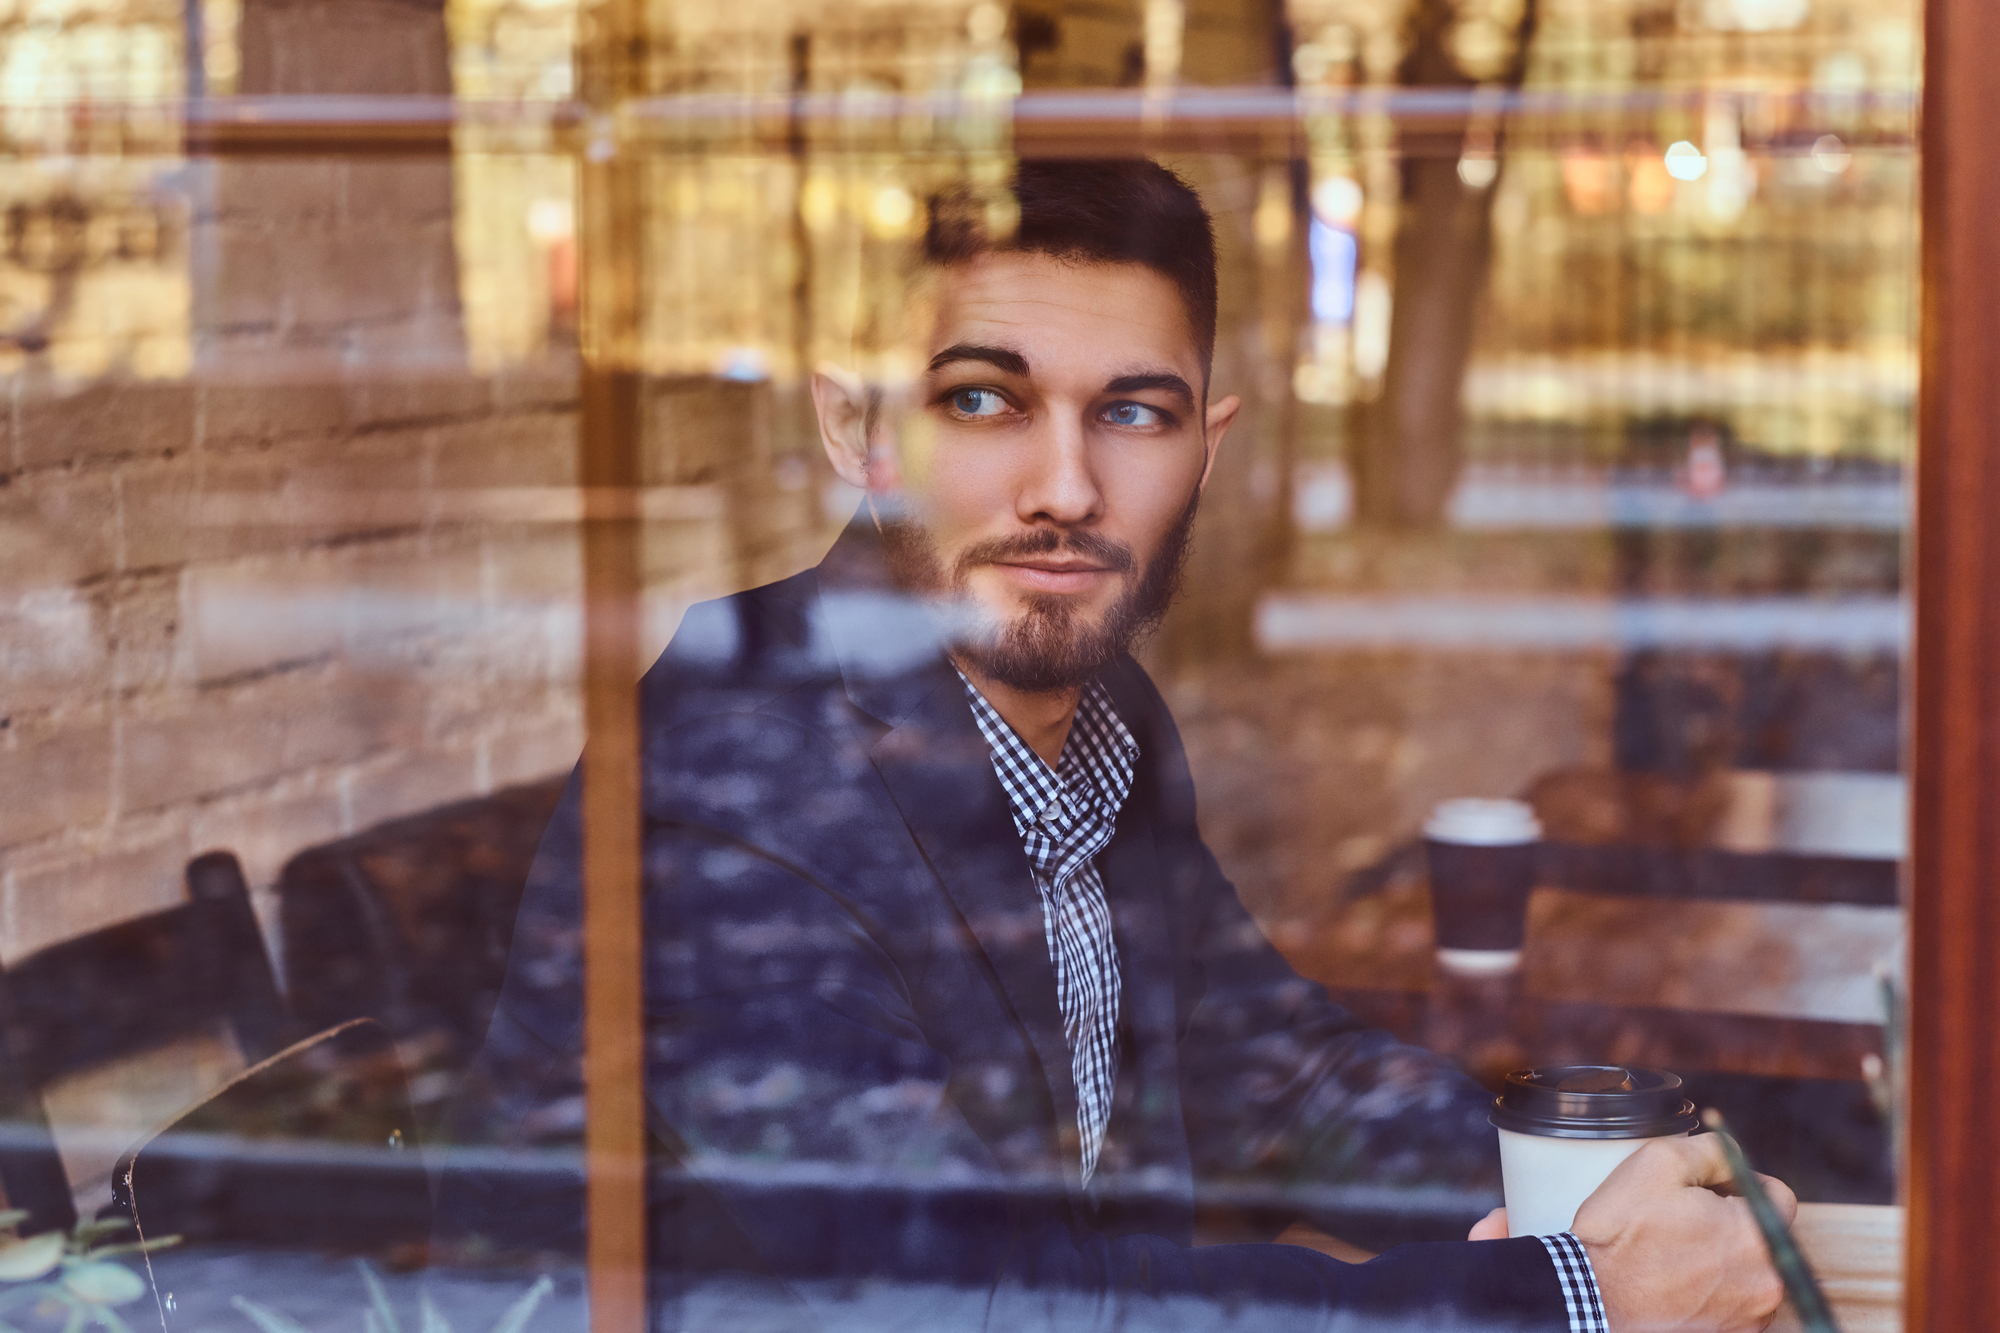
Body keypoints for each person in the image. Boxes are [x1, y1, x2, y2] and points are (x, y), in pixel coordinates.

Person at [445, 159, 1792, 1331]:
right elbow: (971, 1308)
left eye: (1132, 414)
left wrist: (1600, 1202)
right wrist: (1574, 1302)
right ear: (859, 428)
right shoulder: (733, 780)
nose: (1067, 490)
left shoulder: (1101, 720)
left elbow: (1279, 1068)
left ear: (1204, 447)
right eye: (983, 402)